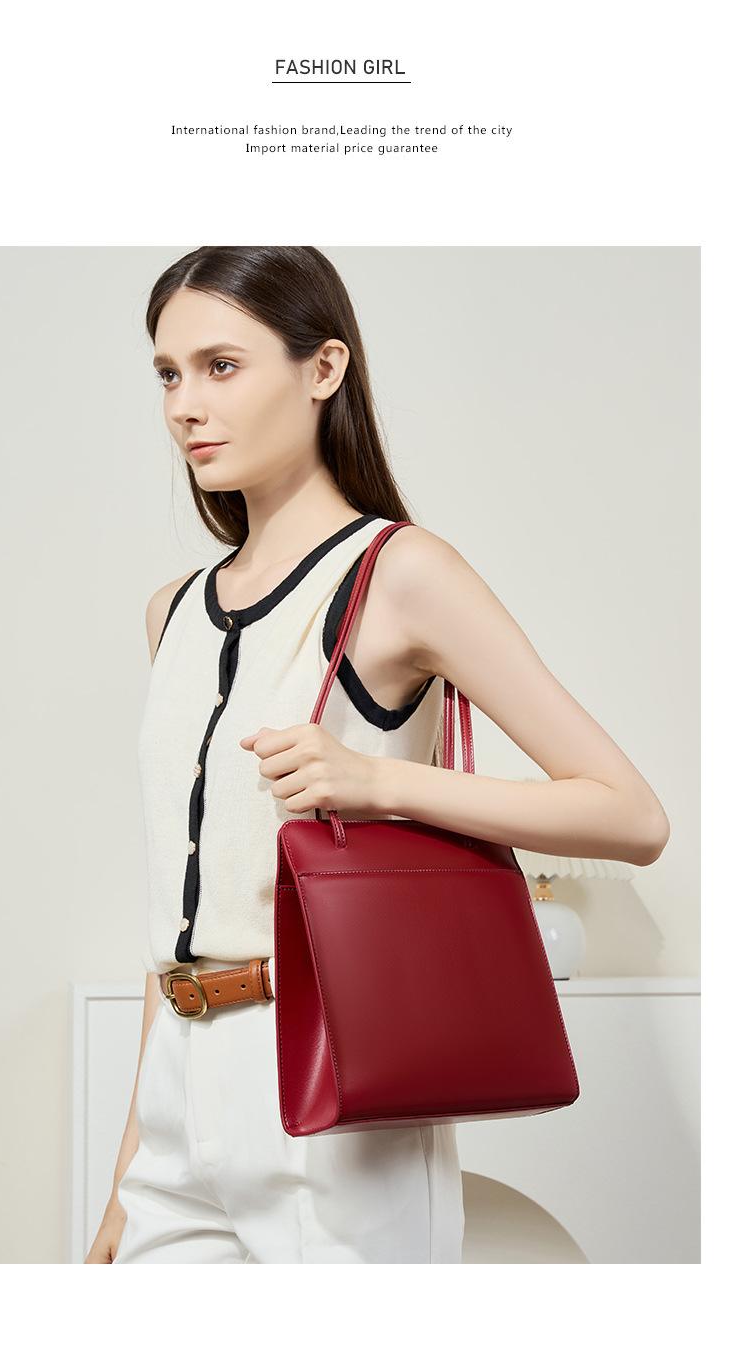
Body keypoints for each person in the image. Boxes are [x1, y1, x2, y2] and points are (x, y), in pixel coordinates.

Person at [84, 245, 670, 1264]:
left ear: (324, 368)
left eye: (221, 366)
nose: (186, 406)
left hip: (334, 1079)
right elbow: (171, 922)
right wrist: (122, 1189)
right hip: (177, 1090)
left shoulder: (401, 574)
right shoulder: (169, 614)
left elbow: (630, 814)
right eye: (168, 374)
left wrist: (381, 781)